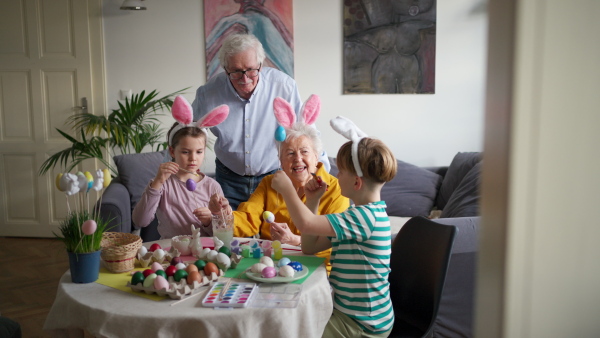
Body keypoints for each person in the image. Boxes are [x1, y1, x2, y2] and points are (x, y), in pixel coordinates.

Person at [271, 116, 397, 337]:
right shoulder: (356, 217)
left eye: (341, 172)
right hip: (350, 314)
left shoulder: (364, 218)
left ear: (356, 183)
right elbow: (310, 246)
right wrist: (312, 201)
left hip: (362, 324)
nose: (336, 176)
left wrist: (287, 191)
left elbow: (306, 223)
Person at [192, 32, 330, 210]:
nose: (245, 78)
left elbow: (307, 129)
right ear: (225, 69)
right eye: (235, 72)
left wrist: (321, 170)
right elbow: (188, 130)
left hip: (274, 176)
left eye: (251, 70)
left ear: (260, 64)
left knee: (274, 233)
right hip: (228, 178)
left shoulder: (284, 86)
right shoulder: (209, 92)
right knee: (230, 232)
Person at [208, 96, 348, 265]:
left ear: (316, 155)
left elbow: (336, 243)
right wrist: (224, 214)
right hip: (272, 264)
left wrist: (295, 240)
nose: (297, 159)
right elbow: (248, 218)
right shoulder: (269, 183)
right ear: (280, 159)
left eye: (304, 152)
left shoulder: (336, 189)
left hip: (315, 265)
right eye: (290, 153)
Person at [133, 97, 228, 239]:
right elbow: (140, 221)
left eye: (199, 151)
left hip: (204, 253)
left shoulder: (212, 186)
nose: (193, 158)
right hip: (171, 252)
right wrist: (157, 182)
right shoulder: (162, 184)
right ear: (172, 151)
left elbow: (223, 236)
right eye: (185, 152)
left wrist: (209, 220)